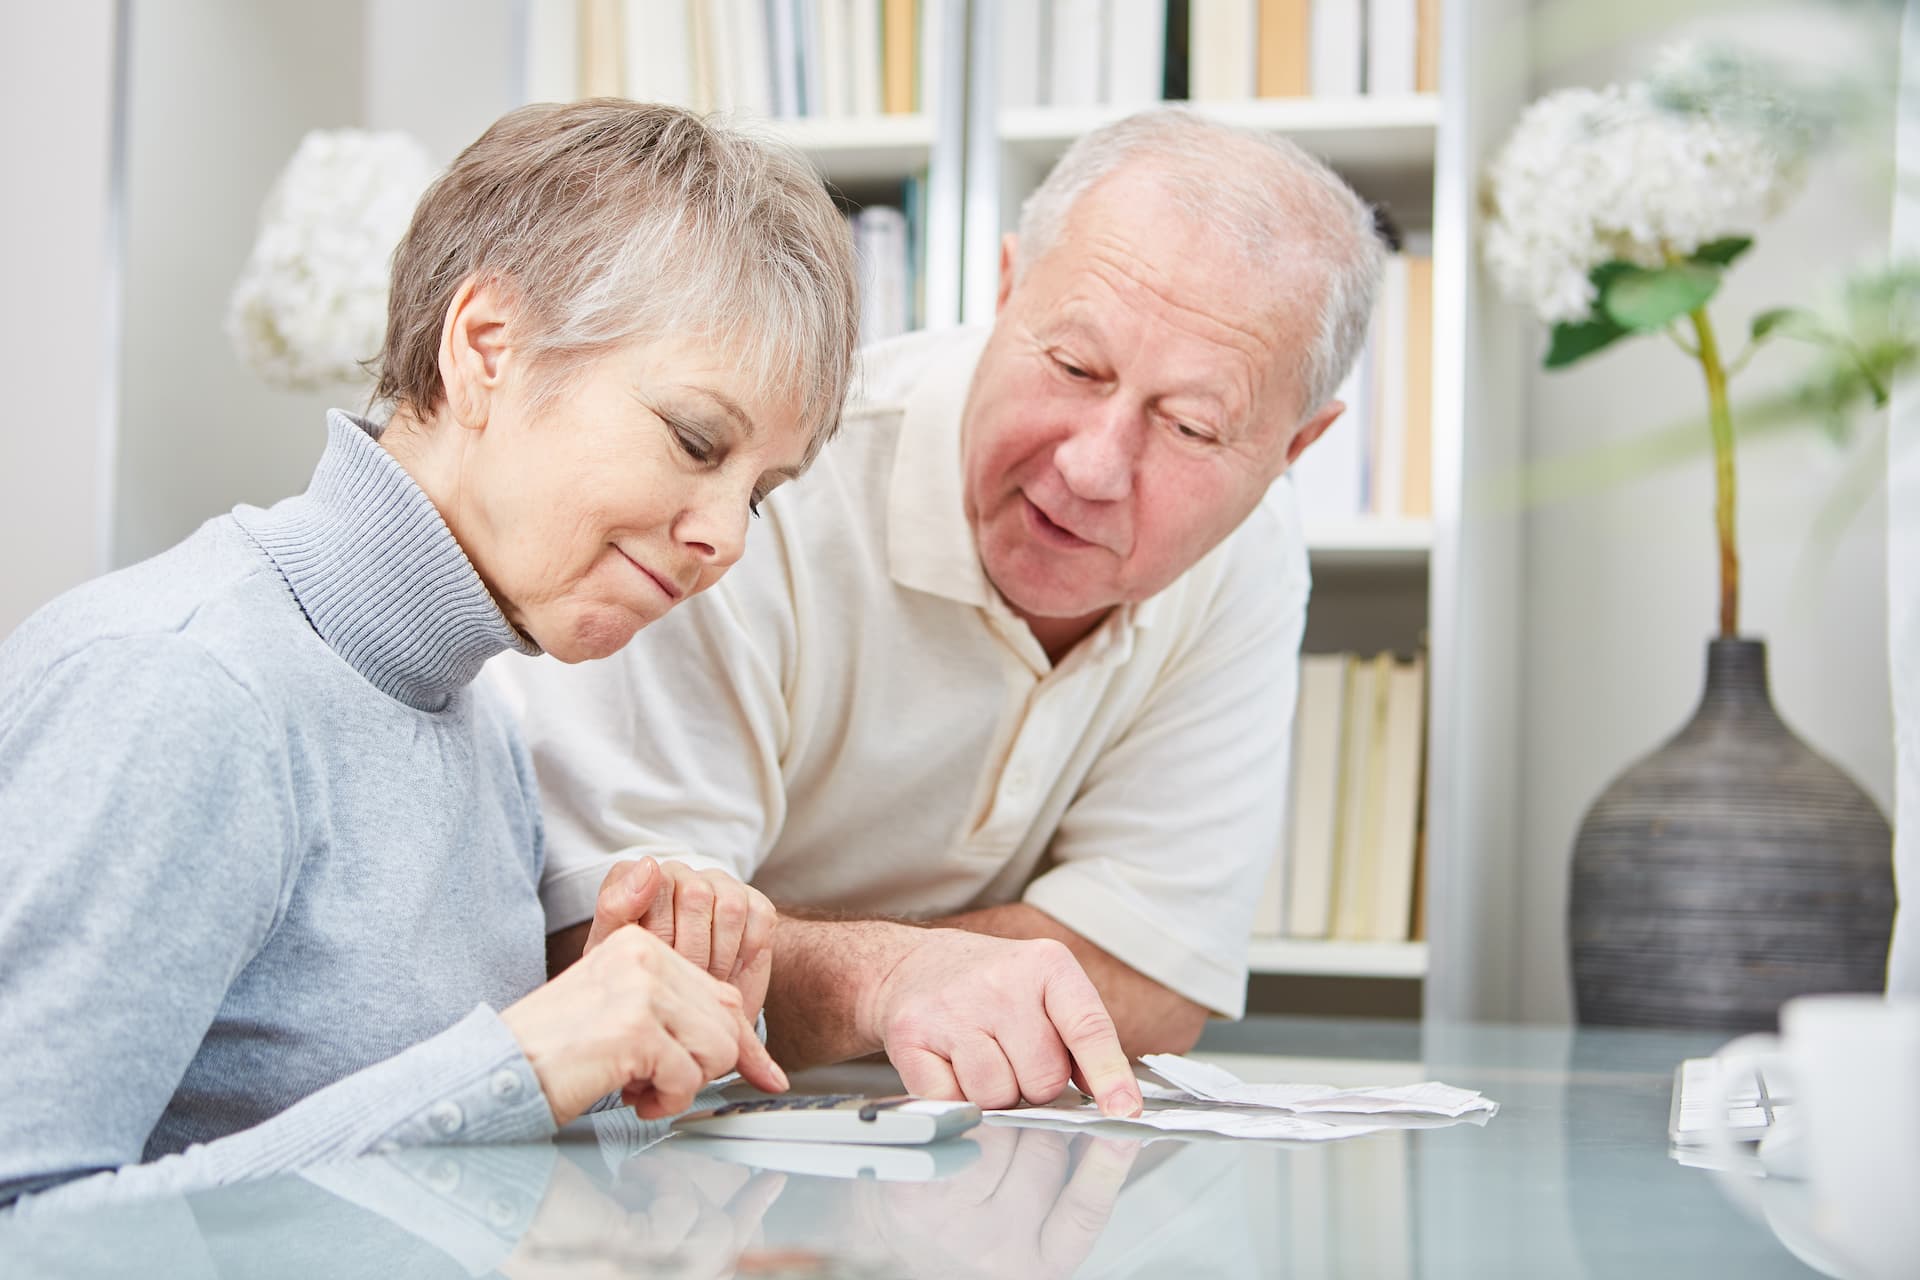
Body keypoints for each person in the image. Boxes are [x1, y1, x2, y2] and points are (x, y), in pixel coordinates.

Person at [0, 100, 859, 1208]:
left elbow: (428, 1183)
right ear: (485, 347)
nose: (728, 537)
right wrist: (517, 1063)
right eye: (695, 440)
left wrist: (633, 1049)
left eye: (760, 491)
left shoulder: (474, 710)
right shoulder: (185, 688)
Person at [493, 108, 1384, 1115]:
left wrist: (832, 962)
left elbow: (1155, 983)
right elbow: (624, 962)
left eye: (1189, 425)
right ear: (1005, 291)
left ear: (1293, 451)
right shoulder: (755, 489)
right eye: (1074, 367)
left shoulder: (1251, 551)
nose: (1092, 466)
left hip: (948, 1154)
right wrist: (887, 977)